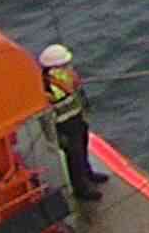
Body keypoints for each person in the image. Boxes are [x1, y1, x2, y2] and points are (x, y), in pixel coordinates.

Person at [39, 44, 106, 211]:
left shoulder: (66, 76)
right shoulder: (46, 85)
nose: (68, 66)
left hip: (76, 119)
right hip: (63, 125)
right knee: (74, 156)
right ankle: (81, 188)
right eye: (64, 64)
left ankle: (88, 174)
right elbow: (53, 101)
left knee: (82, 147)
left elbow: (76, 93)